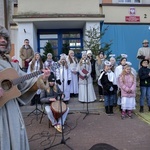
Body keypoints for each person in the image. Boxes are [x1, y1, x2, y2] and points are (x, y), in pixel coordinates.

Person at [0, 25, 50, 150]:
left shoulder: (11, 64)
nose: (3, 40)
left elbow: (24, 82)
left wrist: (41, 79)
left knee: (16, 136)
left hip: (11, 108)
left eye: (5, 37)